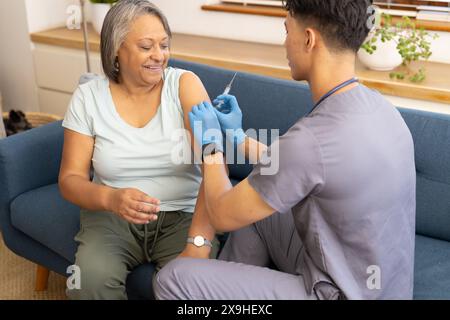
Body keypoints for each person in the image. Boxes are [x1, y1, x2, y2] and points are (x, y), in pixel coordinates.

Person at [154, 0, 416, 300]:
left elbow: (222, 214)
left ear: (308, 39)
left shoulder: (311, 139)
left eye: (286, 30)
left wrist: (211, 147)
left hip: (335, 294)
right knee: (260, 206)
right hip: (380, 286)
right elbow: (304, 167)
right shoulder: (381, 108)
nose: (284, 43)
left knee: (172, 278)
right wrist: (239, 139)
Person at [59, 0, 219, 300]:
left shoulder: (185, 86)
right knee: (86, 283)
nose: (159, 56)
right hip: (111, 217)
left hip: (183, 216)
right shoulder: (88, 97)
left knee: (192, 290)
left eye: (164, 44)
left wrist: (198, 243)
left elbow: (215, 166)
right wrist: (111, 198)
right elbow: (70, 179)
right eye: (147, 46)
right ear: (117, 49)